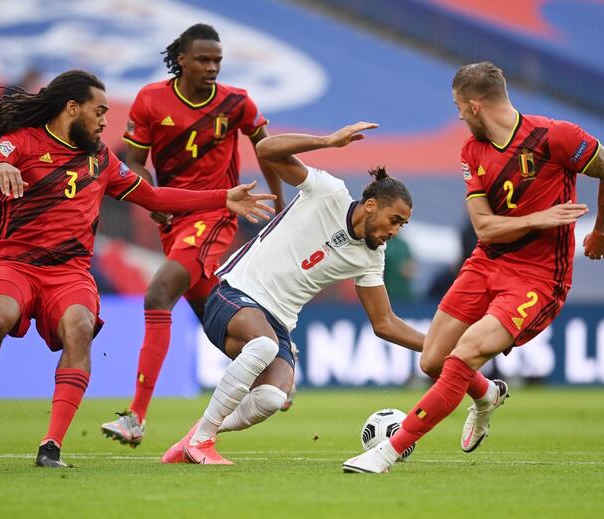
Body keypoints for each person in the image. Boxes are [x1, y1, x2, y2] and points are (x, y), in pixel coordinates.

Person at [0, 70, 276, 468]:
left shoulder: (101, 160)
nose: (106, 121)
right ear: (72, 108)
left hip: (70, 272)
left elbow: (155, 196)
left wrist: (222, 198)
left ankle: (51, 447)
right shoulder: (20, 143)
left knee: (80, 328)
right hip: (14, 262)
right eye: (100, 111)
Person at [343, 62, 604, 473]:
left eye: (458, 107)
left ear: (475, 105)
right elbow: (484, 227)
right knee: (433, 361)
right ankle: (487, 394)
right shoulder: (471, 151)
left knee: (465, 355)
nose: (457, 115)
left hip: (539, 277)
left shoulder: (555, 137)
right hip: (486, 263)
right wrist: (538, 219)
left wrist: (600, 231)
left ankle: (388, 451)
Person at [160, 122, 426, 465]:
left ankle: (191, 438)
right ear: (371, 205)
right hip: (234, 294)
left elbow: (385, 323)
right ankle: (203, 442)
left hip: (277, 324)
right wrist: (327, 141)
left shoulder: (371, 257)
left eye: (402, 224)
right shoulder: (328, 192)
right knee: (264, 345)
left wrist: (438, 345)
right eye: (395, 219)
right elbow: (265, 150)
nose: (396, 230)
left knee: (271, 398)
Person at [101, 23, 284, 447]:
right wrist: (153, 204)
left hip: (219, 213)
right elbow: (135, 166)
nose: (212, 67)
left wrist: (279, 204)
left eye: (217, 60)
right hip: (176, 218)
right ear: (181, 59)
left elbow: (268, 149)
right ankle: (276, 377)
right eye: (203, 59)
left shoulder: (236, 102)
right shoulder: (150, 101)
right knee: (213, 316)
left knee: (158, 293)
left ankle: (136, 417)